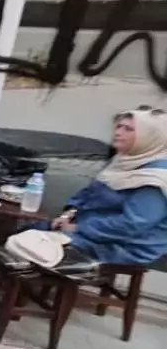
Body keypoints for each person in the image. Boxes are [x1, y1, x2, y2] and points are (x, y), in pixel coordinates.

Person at [37, 106, 167, 265]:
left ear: (149, 137)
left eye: (128, 129)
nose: (118, 132)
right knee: (30, 231)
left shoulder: (156, 178)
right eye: (119, 126)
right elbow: (89, 193)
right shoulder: (124, 161)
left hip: (123, 246)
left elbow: (132, 224)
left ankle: (34, 287)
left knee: (39, 244)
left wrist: (79, 228)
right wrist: (68, 213)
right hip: (89, 231)